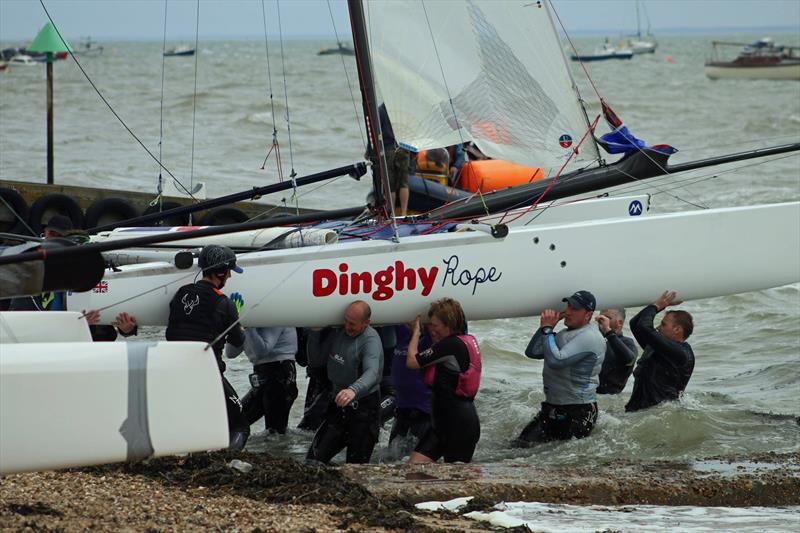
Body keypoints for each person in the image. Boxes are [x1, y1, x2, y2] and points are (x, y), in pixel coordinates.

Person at [165, 244, 249, 451]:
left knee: (197, 424)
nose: (229, 276)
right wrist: (238, 323)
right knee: (240, 426)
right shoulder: (224, 303)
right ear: (220, 272)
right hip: (207, 373)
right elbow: (238, 341)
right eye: (229, 271)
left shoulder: (180, 293)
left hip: (175, 372)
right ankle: (226, 464)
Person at [513, 290, 606, 446]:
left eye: (575, 309)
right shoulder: (563, 334)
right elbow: (533, 352)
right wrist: (547, 328)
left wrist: (548, 329)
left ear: (588, 315)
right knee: (519, 446)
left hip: (579, 410)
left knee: (562, 459)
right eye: (568, 306)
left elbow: (557, 360)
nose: (568, 311)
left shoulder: (590, 336)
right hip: (552, 407)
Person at [306, 300, 383, 464]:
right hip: (339, 406)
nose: (347, 327)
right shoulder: (339, 332)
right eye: (346, 321)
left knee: (355, 468)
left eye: (353, 324)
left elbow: (372, 372)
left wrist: (353, 390)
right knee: (313, 460)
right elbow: (315, 361)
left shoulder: (370, 340)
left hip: (364, 409)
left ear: (366, 323)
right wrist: (314, 332)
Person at [406, 298, 481, 463]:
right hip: (440, 425)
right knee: (413, 469)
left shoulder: (451, 346)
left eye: (434, 325)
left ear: (448, 325)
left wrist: (416, 334)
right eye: (429, 324)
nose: (430, 329)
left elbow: (412, 362)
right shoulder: (458, 342)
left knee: (454, 481)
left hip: (460, 426)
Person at [625, 291, 695, 412]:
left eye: (663, 324)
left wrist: (656, 306)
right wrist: (663, 305)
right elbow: (635, 324)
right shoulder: (657, 347)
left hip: (659, 413)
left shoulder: (680, 353)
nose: (658, 327)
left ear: (677, 329)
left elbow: (644, 327)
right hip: (637, 411)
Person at [226, 326, 298, 435]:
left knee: (275, 433)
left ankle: (281, 451)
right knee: (234, 422)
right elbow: (230, 353)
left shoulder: (275, 316)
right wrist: (235, 330)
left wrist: (249, 327)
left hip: (281, 373)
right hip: (261, 375)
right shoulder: (251, 322)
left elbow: (261, 351)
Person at [385, 323, 433, 460]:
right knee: (391, 460)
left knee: (414, 465)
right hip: (402, 411)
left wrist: (419, 329)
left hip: (423, 412)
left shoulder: (428, 341)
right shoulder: (403, 333)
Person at [296, 327, 336, 431]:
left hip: (331, 377)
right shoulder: (308, 327)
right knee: (308, 425)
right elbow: (302, 360)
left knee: (310, 424)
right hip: (316, 376)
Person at [595, 308, 638, 394]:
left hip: (608, 397)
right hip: (588, 394)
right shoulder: (594, 338)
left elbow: (629, 359)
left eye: (607, 318)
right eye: (601, 317)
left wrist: (608, 331)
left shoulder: (627, 343)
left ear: (620, 323)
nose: (601, 320)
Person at [378, 103, 410, 217]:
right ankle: (404, 212)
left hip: (388, 150)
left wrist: (369, 151)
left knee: (390, 185)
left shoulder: (381, 110)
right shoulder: (400, 109)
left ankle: (391, 214)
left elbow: (377, 132)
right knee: (404, 184)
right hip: (403, 148)